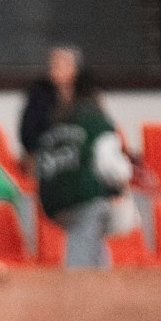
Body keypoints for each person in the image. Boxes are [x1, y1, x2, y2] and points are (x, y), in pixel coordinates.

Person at [33, 75, 132, 268]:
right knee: (81, 260)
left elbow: (39, 166)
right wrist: (121, 185)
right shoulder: (97, 123)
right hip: (83, 199)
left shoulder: (53, 124)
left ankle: (96, 283)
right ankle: (82, 288)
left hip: (51, 201)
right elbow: (111, 167)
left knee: (90, 239)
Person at [19, 44, 81, 160]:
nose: (55, 69)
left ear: (74, 68)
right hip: (45, 153)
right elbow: (28, 134)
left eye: (62, 65)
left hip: (78, 153)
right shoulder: (39, 94)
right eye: (53, 64)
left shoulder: (86, 94)